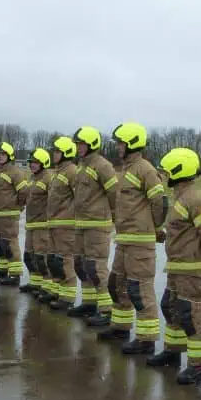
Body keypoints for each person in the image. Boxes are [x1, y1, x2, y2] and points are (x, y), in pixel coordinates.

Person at [146, 147, 201, 384]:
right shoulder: (182, 196)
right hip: (177, 268)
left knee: (192, 316)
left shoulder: (195, 199)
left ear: (179, 172)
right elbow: (183, 231)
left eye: (168, 172)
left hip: (191, 270)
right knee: (171, 308)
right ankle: (172, 352)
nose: (165, 176)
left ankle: (197, 365)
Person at [92, 123, 168, 353]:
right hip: (124, 241)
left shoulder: (145, 169)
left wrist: (152, 227)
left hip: (139, 242)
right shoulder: (126, 169)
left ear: (132, 144)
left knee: (139, 290)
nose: (117, 147)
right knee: (117, 286)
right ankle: (121, 327)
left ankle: (146, 340)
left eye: (121, 143)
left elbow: (160, 202)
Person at [68, 126, 118, 323]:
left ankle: (106, 309)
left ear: (92, 145)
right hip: (81, 223)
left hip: (97, 225)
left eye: (82, 144)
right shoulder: (81, 166)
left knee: (96, 267)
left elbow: (114, 194)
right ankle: (89, 303)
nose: (78, 148)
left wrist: (114, 217)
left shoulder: (102, 166)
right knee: (80, 265)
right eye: (77, 144)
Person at [0, 142, 29, 286]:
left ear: (9, 156)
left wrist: (18, 206)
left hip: (9, 215)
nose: (0, 157)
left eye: (3, 154)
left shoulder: (15, 172)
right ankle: (2, 270)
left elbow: (24, 192)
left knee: (9, 244)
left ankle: (15, 275)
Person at [45, 137, 80, 311]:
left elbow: (79, 198)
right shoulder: (58, 172)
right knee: (54, 261)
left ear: (66, 153)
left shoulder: (72, 171)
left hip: (65, 224)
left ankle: (67, 298)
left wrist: (69, 214)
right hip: (55, 223)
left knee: (65, 261)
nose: (54, 154)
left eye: (57, 152)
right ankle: (58, 292)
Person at [21, 147, 55, 300]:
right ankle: (35, 283)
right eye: (31, 163)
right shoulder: (32, 178)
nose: (32, 165)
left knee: (42, 258)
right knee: (29, 256)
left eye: (35, 163)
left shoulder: (49, 178)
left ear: (43, 163)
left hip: (43, 225)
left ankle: (46, 287)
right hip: (31, 224)